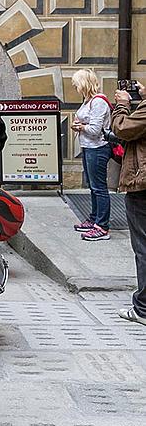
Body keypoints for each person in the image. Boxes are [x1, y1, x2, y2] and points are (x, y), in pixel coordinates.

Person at [112, 81, 146, 325]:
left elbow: (122, 129)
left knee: (143, 246)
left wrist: (122, 105)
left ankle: (143, 309)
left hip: (142, 185)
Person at [71, 68, 112, 241]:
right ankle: (94, 218)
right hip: (89, 147)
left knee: (99, 187)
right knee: (92, 185)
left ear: (83, 83)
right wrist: (79, 123)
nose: (74, 87)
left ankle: (102, 227)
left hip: (98, 148)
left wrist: (79, 127)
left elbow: (95, 130)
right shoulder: (88, 101)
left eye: (76, 84)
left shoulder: (98, 102)